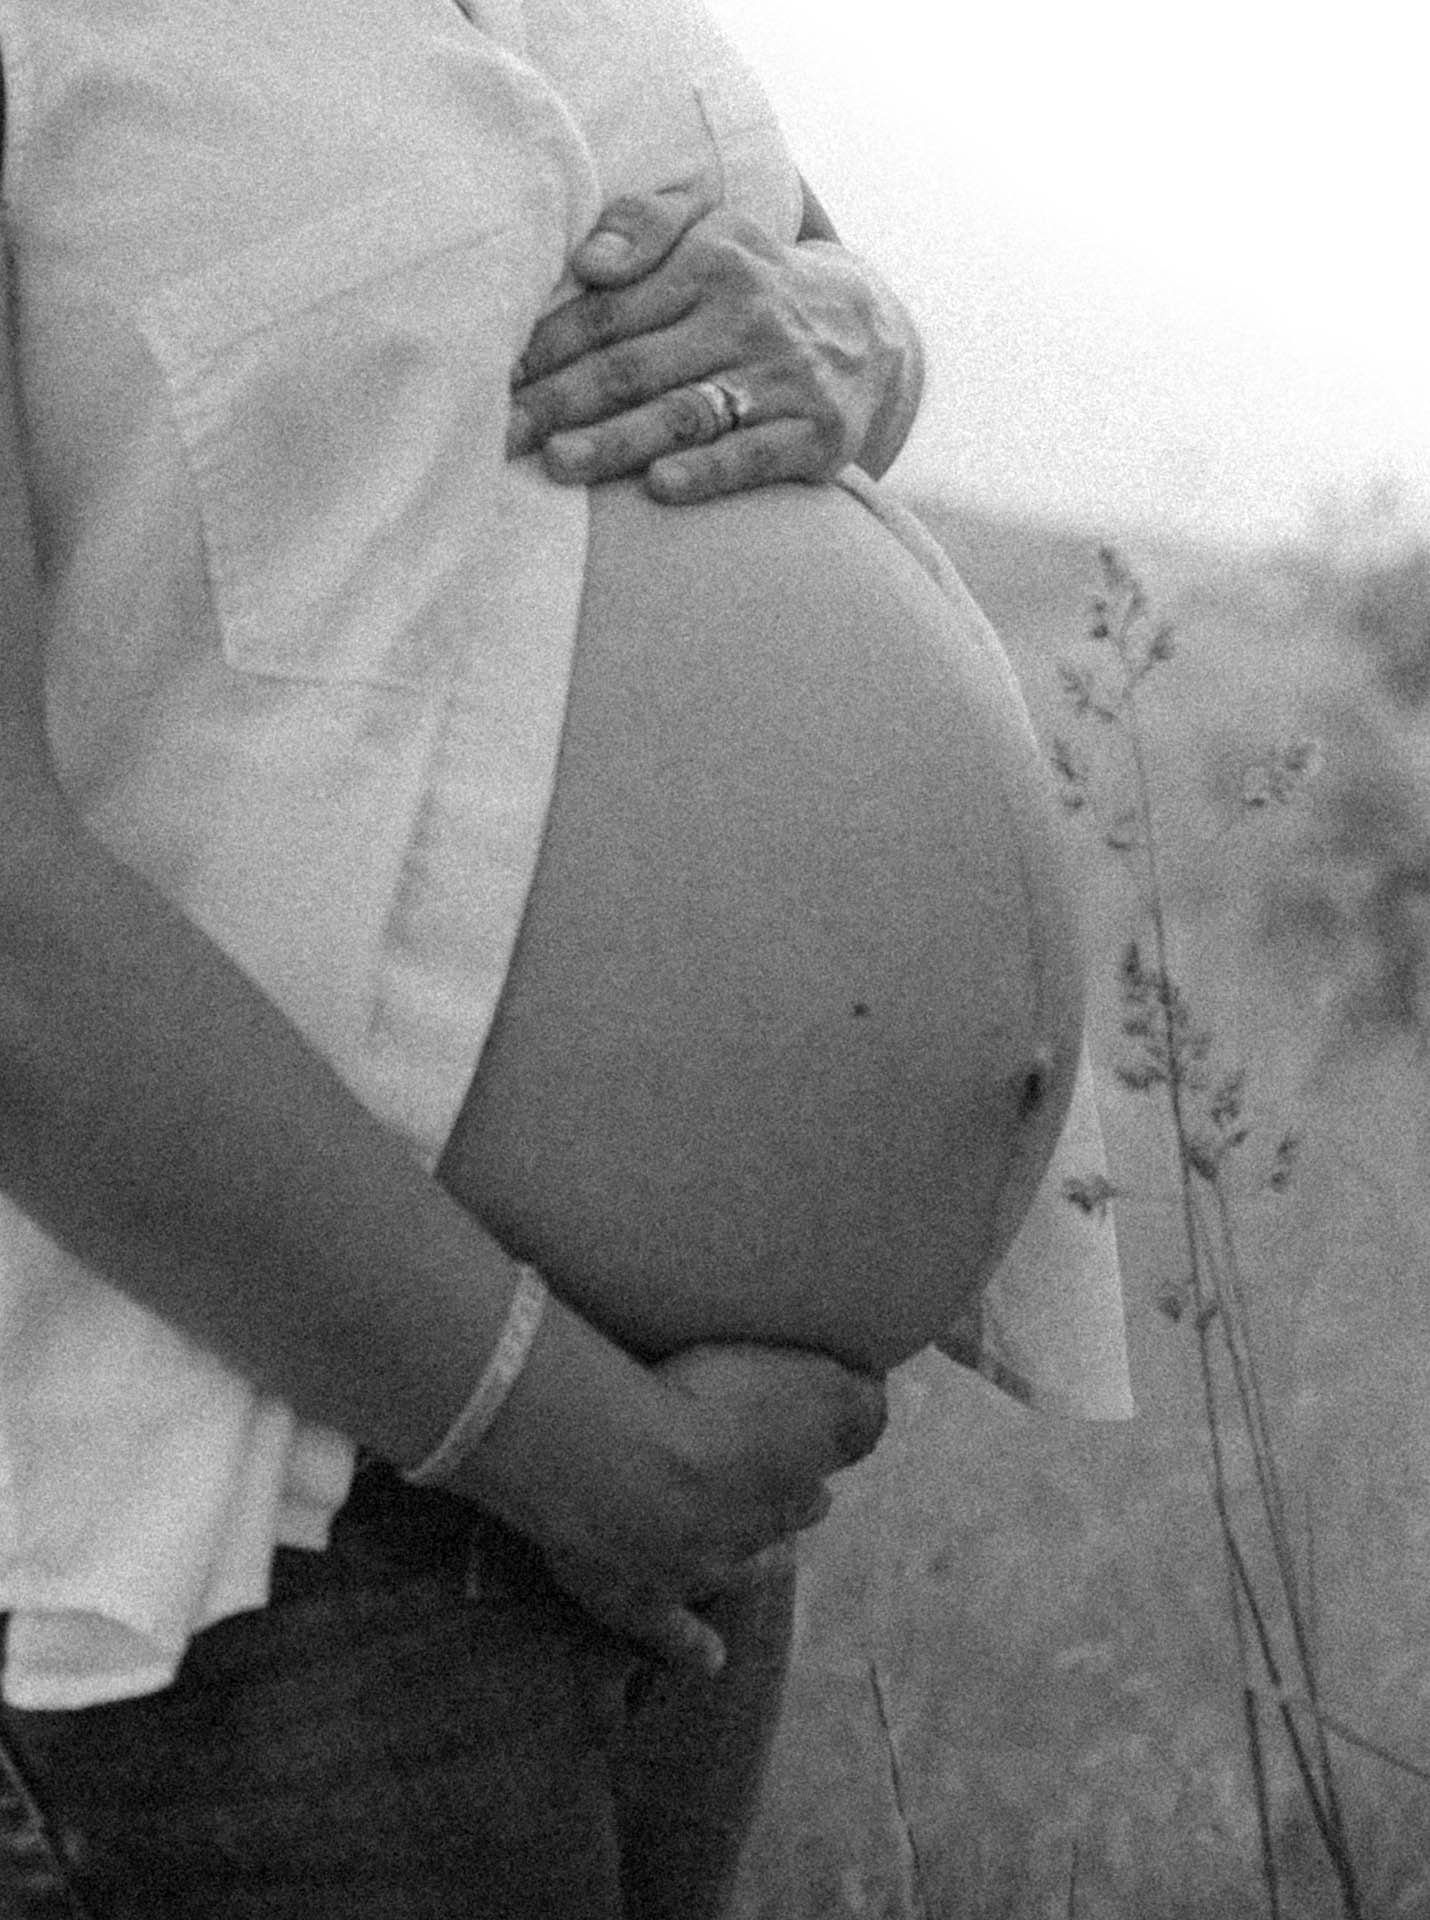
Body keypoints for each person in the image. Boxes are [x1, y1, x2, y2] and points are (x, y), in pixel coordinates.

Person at [0, 2, 1130, 1914]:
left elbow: (814, 279)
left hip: (693, 1463)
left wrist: (853, 335)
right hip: (286, 1507)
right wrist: (562, 1438)